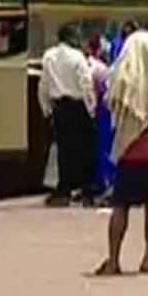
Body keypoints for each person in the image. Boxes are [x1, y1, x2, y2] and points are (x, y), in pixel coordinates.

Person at [93, 31, 148, 275]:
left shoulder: (122, 81)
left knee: (120, 205)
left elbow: (110, 109)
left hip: (130, 152)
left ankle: (113, 260)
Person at [38, 24, 97, 207]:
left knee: (63, 150)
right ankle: (86, 190)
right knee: (84, 150)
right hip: (77, 106)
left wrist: (46, 109)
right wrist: (91, 109)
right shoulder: (77, 57)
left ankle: (64, 190)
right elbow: (85, 85)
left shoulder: (48, 56)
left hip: (59, 108)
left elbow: (44, 85)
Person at [86, 35, 116, 199]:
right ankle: (103, 181)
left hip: (102, 110)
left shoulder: (98, 67)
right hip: (102, 110)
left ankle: (104, 182)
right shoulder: (101, 68)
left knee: (103, 149)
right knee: (104, 149)